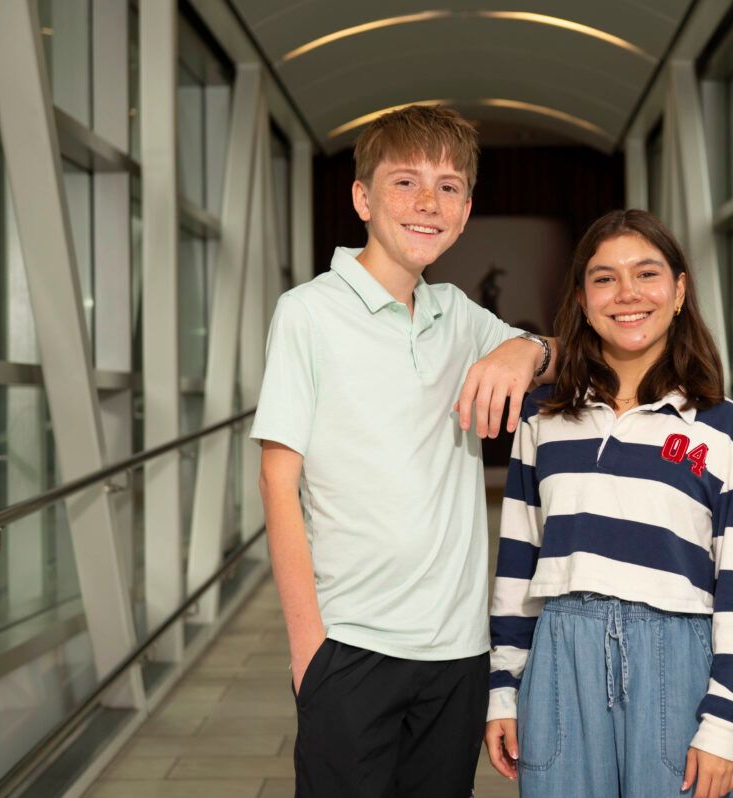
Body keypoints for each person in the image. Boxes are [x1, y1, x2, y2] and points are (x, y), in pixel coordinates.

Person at [251, 105, 556, 797]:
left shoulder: (460, 316)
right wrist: (309, 653)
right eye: (405, 182)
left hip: (458, 651)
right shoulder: (308, 312)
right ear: (363, 198)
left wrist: (527, 347)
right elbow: (277, 482)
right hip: (350, 646)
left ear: (466, 211)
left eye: (448, 187)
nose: (428, 202)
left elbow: (570, 359)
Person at [485, 209, 733, 798]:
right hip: (561, 658)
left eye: (646, 273)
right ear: (583, 299)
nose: (627, 294)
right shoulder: (543, 419)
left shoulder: (724, 429)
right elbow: (517, 564)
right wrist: (503, 690)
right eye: (605, 278)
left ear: (679, 291)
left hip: (678, 663)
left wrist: (724, 723)